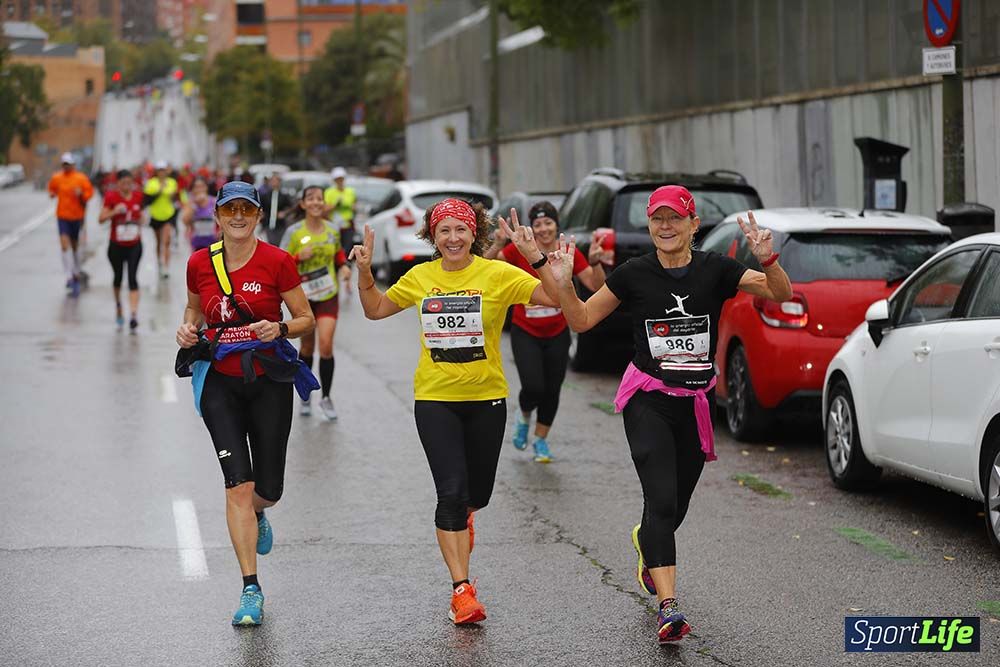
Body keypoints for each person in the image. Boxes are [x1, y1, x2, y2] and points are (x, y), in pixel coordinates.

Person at [501, 186, 792, 644]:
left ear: (694, 225)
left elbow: (779, 293)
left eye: (675, 218)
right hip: (648, 399)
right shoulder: (634, 275)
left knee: (673, 507)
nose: (665, 226)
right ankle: (669, 607)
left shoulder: (716, 270)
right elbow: (579, 320)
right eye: (657, 219)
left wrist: (767, 259)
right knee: (660, 499)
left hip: (696, 403)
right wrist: (550, 270)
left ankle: (646, 543)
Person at [350, 198, 560, 626]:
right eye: (443, 231)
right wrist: (365, 272)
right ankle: (461, 590)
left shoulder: (497, 274)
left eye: (460, 230)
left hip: (487, 398)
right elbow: (374, 310)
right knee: (449, 493)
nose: (452, 238)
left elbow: (556, 298)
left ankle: (465, 518)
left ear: (474, 234)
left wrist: (534, 254)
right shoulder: (421, 277)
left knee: (474, 496)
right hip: (435, 399)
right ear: (432, 236)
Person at [176, 181, 316, 626]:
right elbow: (194, 312)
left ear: (258, 216)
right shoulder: (200, 262)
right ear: (217, 216)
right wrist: (186, 330)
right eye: (229, 209)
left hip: (268, 382)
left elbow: (306, 318)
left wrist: (281, 329)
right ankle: (250, 589)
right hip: (221, 384)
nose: (238, 216)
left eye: (246, 209)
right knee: (236, 484)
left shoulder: (278, 260)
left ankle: (260, 511)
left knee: (267, 488)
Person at [484, 200, 607, 462]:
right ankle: (525, 414)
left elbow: (596, 287)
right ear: (532, 227)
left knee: (552, 389)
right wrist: (497, 243)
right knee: (533, 386)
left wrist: (596, 263)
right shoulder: (521, 252)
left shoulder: (568, 251)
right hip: (525, 329)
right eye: (537, 224)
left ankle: (540, 440)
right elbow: (484, 267)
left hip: (558, 333)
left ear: (556, 225)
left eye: (548, 222)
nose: (543, 229)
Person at [280, 185, 352, 420]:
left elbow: (338, 254)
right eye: (310, 199)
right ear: (303, 204)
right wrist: (300, 257)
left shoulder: (332, 230)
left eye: (319, 199)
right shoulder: (294, 232)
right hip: (303, 297)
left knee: (326, 345)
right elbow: (280, 262)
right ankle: (306, 394)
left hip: (328, 294)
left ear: (324, 203)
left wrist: (343, 268)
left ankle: (327, 398)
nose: (315, 203)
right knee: (308, 348)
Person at [98, 169, 145, 330]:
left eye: (129, 183)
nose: (127, 186)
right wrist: (114, 211)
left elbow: (142, 217)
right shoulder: (111, 197)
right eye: (123, 183)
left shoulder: (138, 196)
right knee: (118, 277)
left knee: (132, 277)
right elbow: (101, 219)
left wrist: (140, 219)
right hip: (116, 245)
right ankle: (119, 306)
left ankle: (133, 315)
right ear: (118, 183)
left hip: (134, 244)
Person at [48, 152, 94, 296]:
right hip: (62, 216)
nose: (66, 167)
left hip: (77, 217)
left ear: (73, 165)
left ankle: (75, 271)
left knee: (74, 247)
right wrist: (52, 193)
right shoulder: (57, 178)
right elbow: (51, 189)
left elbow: (89, 194)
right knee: (64, 245)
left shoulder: (81, 178)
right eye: (64, 164)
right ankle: (68, 275)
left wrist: (81, 194)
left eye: (69, 164)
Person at [143, 160, 181, 279]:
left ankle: (166, 267)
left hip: (168, 215)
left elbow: (172, 194)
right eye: (159, 170)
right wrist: (160, 190)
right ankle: (159, 261)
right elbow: (148, 195)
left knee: (166, 241)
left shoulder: (172, 182)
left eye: (163, 170)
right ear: (156, 172)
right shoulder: (151, 183)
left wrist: (165, 190)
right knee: (158, 242)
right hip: (155, 215)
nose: (162, 173)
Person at [182, 176, 218, 252]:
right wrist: (194, 205)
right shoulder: (190, 203)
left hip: (214, 241)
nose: (200, 189)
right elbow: (185, 221)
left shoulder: (214, 201)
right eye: (196, 187)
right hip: (196, 242)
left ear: (206, 187)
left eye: (202, 186)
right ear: (192, 189)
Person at [323, 167, 357, 246]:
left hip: (348, 225)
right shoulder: (329, 192)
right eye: (337, 179)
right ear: (334, 180)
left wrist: (351, 207)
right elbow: (325, 209)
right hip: (334, 225)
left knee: (347, 247)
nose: (339, 181)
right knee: (335, 246)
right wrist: (336, 205)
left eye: (341, 179)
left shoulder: (350, 191)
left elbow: (354, 206)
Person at [260, 173, 295, 246]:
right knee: (269, 243)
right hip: (267, 223)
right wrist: (261, 214)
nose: (274, 183)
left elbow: (292, 207)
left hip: (280, 224)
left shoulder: (284, 196)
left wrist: (284, 213)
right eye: (272, 181)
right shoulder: (265, 196)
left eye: (276, 181)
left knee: (279, 243)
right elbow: (260, 207)